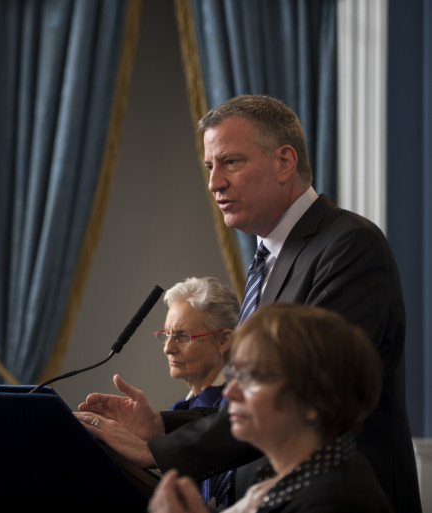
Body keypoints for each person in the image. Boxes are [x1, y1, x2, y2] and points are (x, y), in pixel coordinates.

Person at [75, 95, 420, 512]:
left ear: (284, 162)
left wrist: (158, 453)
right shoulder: (268, 258)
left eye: (231, 163)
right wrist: (160, 428)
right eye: (209, 167)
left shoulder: (348, 246)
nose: (214, 183)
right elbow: (256, 400)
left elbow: (293, 399)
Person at [148, 303, 393, 513]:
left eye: (253, 377)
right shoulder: (280, 481)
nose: (230, 392)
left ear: (312, 399)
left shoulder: (337, 501)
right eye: (234, 375)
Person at [153, 276, 238, 507]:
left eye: (182, 337)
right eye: (166, 335)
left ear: (223, 340)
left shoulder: (239, 409)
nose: (168, 348)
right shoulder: (176, 412)